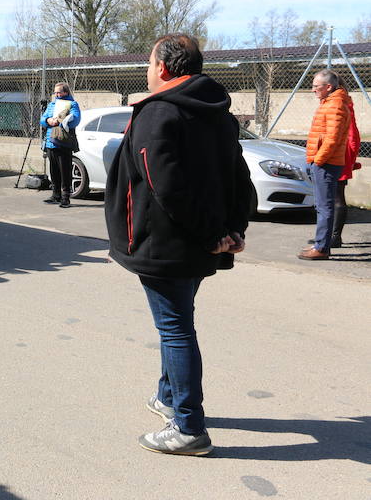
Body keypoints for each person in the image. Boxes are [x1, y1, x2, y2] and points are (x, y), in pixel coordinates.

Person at [104, 33, 252, 456]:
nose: (148, 72)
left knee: (175, 329)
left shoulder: (158, 112)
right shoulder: (217, 114)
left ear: (165, 69)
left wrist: (216, 233)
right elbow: (237, 176)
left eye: (150, 65)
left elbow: (165, 185)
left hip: (166, 243)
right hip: (202, 241)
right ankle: (168, 397)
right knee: (178, 320)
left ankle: (189, 427)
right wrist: (232, 230)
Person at [299, 69, 353, 260]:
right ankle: (320, 244)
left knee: (324, 206)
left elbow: (332, 138)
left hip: (326, 163)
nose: (313, 90)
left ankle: (321, 248)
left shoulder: (335, 105)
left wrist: (318, 160)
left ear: (328, 87)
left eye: (316, 86)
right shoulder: (330, 103)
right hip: (324, 161)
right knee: (323, 205)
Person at [331, 76, 361, 247]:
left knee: (337, 198)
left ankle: (335, 237)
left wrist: (349, 160)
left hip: (340, 157)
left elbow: (353, 136)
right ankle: (332, 236)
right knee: (333, 198)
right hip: (341, 156)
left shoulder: (342, 105)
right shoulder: (341, 103)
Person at [40, 82, 80, 207]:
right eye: (55, 92)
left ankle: (65, 198)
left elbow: (76, 120)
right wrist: (48, 120)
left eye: (59, 92)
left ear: (66, 92)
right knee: (54, 171)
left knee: (65, 171)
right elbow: (43, 119)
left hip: (63, 142)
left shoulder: (72, 104)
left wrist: (62, 121)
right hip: (50, 142)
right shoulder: (52, 104)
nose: (56, 94)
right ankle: (55, 195)